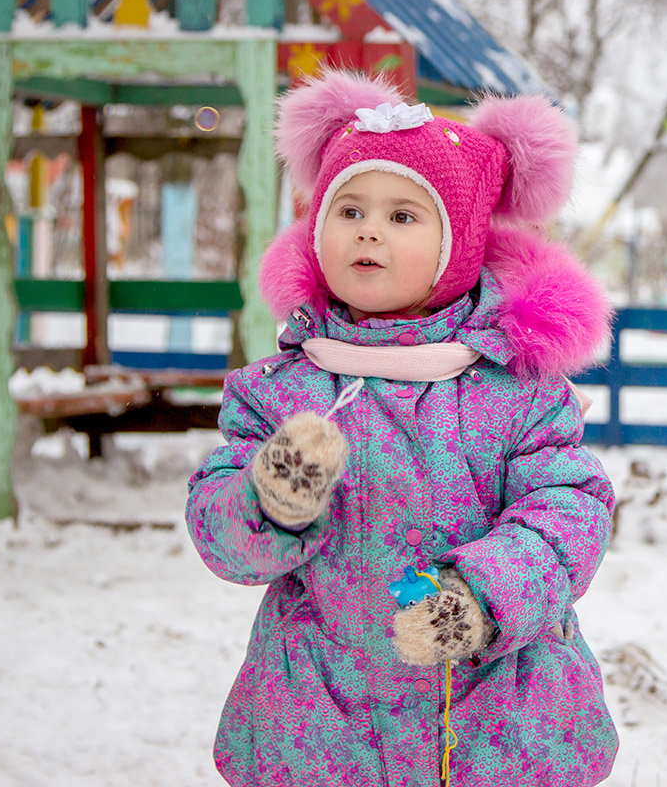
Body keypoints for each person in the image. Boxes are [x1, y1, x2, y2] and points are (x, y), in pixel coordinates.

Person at [185, 70, 618, 787]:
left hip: (494, 717)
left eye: (404, 217)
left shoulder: (516, 391)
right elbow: (219, 532)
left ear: (462, 245)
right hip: (323, 719)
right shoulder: (282, 392)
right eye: (349, 208)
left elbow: (568, 515)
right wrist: (267, 504)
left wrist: (480, 599)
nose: (369, 230)